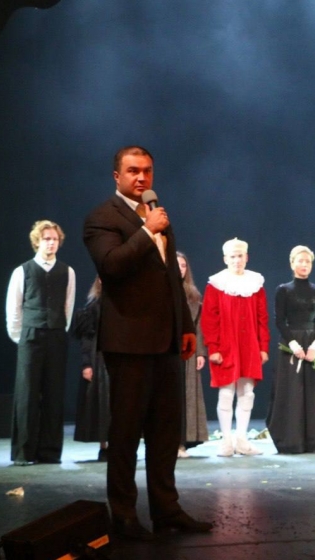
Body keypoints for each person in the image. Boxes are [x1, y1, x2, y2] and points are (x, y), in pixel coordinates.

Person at [83, 145, 211, 540]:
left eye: (148, 171)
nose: (142, 177)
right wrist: (146, 231)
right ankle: (123, 516)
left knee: (165, 432)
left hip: (166, 339)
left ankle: (166, 510)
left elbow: (172, 276)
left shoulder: (158, 215)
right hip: (128, 341)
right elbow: (112, 266)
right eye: (133, 171)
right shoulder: (102, 217)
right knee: (125, 432)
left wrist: (186, 326)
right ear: (117, 176)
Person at [6, 219, 76, 466]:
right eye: (46, 239)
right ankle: (24, 452)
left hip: (56, 336)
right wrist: (20, 336)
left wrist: (59, 329)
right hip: (30, 336)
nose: (51, 243)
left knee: (54, 393)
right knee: (27, 394)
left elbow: (68, 306)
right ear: (37, 241)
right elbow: (14, 308)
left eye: (54, 239)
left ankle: (50, 451)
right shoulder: (23, 271)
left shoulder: (67, 271)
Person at [201, 238, 269, 457]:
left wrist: (263, 347)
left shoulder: (255, 283)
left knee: (247, 393)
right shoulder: (216, 284)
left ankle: (242, 439)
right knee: (226, 393)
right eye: (232, 257)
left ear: (246, 257)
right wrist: (213, 347)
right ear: (225, 259)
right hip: (226, 346)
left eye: (240, 256)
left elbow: (262, 318)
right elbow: (209, 318)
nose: (237, 260)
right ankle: (226, 441)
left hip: (249, 346)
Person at [268, 245, 315, 453]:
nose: (304, 264)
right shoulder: (283, 290)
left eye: (308, 261)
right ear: (292, 264)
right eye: (300, 261)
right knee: (293, 392)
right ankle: (292, 441)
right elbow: (280, 320)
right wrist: (293, 344)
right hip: (291, 345)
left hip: (313, 343)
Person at [73, 276, 110, 461]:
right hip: (100, 359)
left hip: (120, 357)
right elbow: (87, 338)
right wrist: (87, 364)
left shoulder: (127, 304)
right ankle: (104, 446)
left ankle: (122, 445)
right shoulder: (94, 305)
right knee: (102, 404)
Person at [176, 251, 209, 458]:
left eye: (183, 265)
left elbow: (199, 327)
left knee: (186, 396)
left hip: (187, 351)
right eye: (176, 264)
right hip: (165, 351)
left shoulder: (193, 295)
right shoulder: (159, 290)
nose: (180, 269)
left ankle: (182, 442)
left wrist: (200, 353)